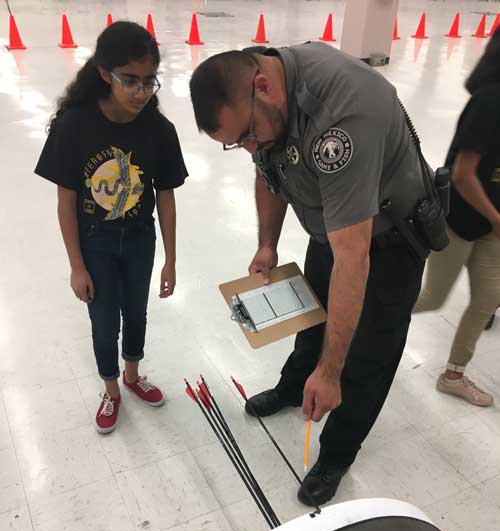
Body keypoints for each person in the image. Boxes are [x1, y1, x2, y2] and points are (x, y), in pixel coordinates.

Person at [189, 42, 431, 506]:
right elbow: (267, 172)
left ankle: (338, 453)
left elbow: (354, 257)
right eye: (236, 142)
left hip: (390, 237)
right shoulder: (262, 99)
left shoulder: (343, 117)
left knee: (366, 355)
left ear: (263, 87)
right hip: (333, 226)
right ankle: (293, 385)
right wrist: (267, 244)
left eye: (247, 136)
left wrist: (331, 370)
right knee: (312, 316)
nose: (248, 149)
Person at [35, 21, 188, 433]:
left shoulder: (159, 130)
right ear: (105, 73)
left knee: (136, 313)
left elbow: (167, 195)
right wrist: (76, 266)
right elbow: (65, 201)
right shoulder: (74, 125)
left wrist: (171, 260)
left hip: (140, 240)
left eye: (149, 82)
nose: (141, 92)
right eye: (130, 81)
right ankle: (111, 389)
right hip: (94, 245)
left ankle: (132, 377)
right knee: (104, 322)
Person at [413, 29, 500, 408]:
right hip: (461, 221)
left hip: (493, 226)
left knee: (487, 301)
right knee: (432, 298)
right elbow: (464, 175)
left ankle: (453, 375)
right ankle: (357, 322)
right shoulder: (489, 102)